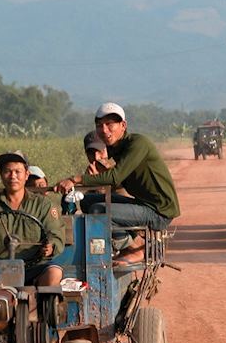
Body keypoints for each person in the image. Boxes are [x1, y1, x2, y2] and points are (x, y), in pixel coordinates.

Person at [56, 102, 180, 265]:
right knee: (85, 202)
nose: (104, 130)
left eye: (109, 124)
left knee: (98, 209)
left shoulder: (138, 144)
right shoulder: (115, 148)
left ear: (123, 125)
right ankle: (133, 243)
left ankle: (136, 249)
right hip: (143, 204)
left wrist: (75, 179)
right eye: (100, 125)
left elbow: (115, 177)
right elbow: (110, 176)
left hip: (159, 211)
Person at [0, 151, 64, 291]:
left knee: (54, 274)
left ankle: (40, 311)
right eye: (8, 171)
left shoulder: (43, 204)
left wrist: (50, 247)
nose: (13, 176)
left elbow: (55, 234)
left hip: (34, 266)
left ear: (26, 175)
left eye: (17, 171)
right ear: (1, 174)